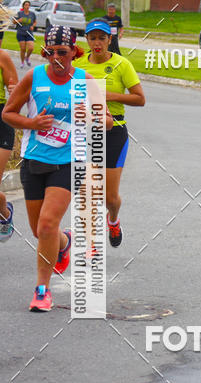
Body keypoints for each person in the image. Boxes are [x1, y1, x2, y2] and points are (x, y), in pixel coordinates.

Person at [2, 25, 113, 312]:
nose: (56, 59)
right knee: (40, 231)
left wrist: (91, 116)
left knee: (48, 224)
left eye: (62, 52)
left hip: (70, 162)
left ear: (74, 52)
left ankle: (42, 290)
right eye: (50, 52)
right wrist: (32, 123)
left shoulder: (85, 81)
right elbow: (8, 113)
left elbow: (109, 122)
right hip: (34, 160)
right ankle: (65, 242)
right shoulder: (34, 76)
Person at [73, 18, 144, 247]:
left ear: (109, 39)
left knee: (109, 198)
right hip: (86, 132)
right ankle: (91, 244)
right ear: (87, 39)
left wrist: (108, 95)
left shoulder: (122, 64)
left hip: (115, 131)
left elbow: (140, 99)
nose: (97, 43)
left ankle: (113, 220)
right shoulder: (78, 65)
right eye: (92, 38)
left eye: (102, 38)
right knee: (86, 190)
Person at [0, 48, 18, 242]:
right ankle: (3, 206)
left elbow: (17, 95)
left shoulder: (2, 56)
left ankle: (4, 213)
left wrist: (15, 91)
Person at [15, 0, 36, 68]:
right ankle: (22, 62)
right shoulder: (19, 13)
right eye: (26, 5)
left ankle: (27, 58)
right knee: (23, 49)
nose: (27, 6)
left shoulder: (32, 14)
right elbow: (13, 22)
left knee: (31, 48)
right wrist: (19, 20)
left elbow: (35, 22)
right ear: (23, 6)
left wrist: (33, 26)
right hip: (21, 33)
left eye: (28, 5)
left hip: (29, 33)